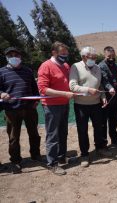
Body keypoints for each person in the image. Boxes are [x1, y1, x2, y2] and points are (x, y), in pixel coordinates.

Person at [69, 46, 114, 167]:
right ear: (84, 57)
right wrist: (88, 89)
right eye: (91, 57)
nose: (93, 59)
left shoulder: (97, 68)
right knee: (82, 131)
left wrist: (103, 97)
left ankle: (100, 148)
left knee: (99, 128)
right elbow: (72, 86)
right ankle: (84, 155)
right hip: (81, 105)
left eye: (95, 57)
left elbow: (99, 86)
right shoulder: (75, 67)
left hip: (96, 104)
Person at [0, 47, 41, 173]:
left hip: (29, 109)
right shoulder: (1, 72)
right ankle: (16, 160)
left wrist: (36, 101)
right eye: (10, 55)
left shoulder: (28, 71)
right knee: (13, 137)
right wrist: (1, 94)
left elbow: (35, 89)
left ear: (20, 56)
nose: (13, 57)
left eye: (16, 54)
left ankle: (36, 155)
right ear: (6, 57)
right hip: (11, 110)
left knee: (34, 134)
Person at [38, 41, 74, 175]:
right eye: (62, 53)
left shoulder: (65, 65)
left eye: (66, 53)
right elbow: (43, 89)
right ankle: (52, 163)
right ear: (54, 52)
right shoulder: (45, 66)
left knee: (63, 132)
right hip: (52, 106)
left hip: (64, 104)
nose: (65, 55)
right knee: (52, 135)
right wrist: (64, 94)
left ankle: (62, 157)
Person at [98, 46, 117, 145]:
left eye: (113, 56)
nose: (111, 58)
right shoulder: (100, 66)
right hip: (105, 99)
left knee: (114, 120)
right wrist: (109, 87)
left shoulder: (116, 66)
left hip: (115, 98)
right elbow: (104, 80)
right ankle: (103, 143)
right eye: (109, 56)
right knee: (103, 122)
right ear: (104, 55)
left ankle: (114, 139)